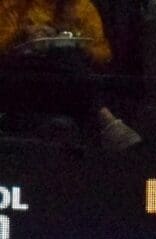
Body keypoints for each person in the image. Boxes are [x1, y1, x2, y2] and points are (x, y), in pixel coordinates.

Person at [0, 0, 142, 150]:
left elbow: (104, 53)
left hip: (66, 75)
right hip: (23, 73)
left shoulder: (82, 6)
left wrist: (82, 47)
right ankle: (106, 119)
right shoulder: (15, 4)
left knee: (67, 56)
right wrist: (22, 33)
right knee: (66, 61)